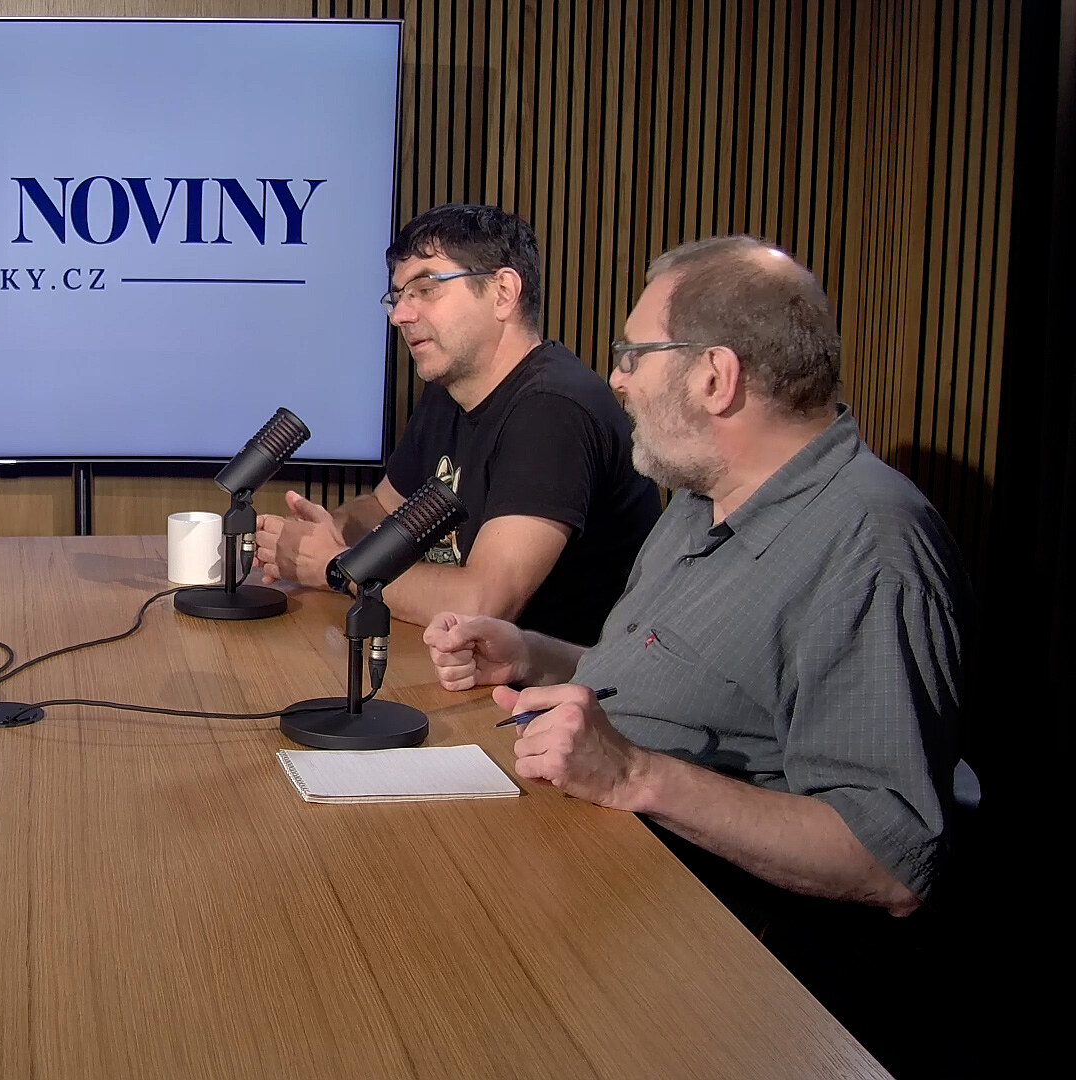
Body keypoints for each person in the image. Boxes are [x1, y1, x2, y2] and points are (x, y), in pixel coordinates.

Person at [428, 236, 968, 1077]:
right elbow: (672, 685)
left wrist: (637, 776)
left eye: (633, 355)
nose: (616, 379)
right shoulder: (699, 498)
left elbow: (889, 858)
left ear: (716, 376)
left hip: (724, 963)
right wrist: (531, 654)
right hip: (594, 865)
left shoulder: (870, 547)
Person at [253, 204, 659, 644]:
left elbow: (484, 603)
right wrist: (324, 533)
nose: (400, 316)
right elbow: (384, 509)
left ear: (503, 292)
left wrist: (337, 567)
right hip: (452, 663)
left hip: (554, 682)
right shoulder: (449, 388)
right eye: (397, 297)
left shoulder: (554, 409)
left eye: (425, 289)